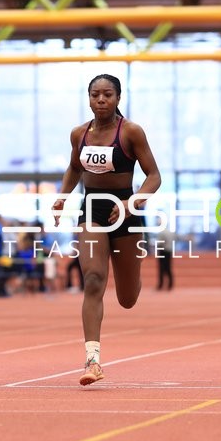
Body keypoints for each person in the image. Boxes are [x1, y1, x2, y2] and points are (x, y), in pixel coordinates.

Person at [53, 73, 161, 386]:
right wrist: (62, 197)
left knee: (127, 298)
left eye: (107, 95)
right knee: (93, 280)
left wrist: (132, 203)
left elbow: (154, 176)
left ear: (118, 98)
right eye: (95, 95)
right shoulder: (79, 134)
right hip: (93, 209)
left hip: (125, 209)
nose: (101, 100)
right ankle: (93, 360)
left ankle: (132, 275)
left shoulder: (130, 132)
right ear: (89, 99)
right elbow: (75, 167)